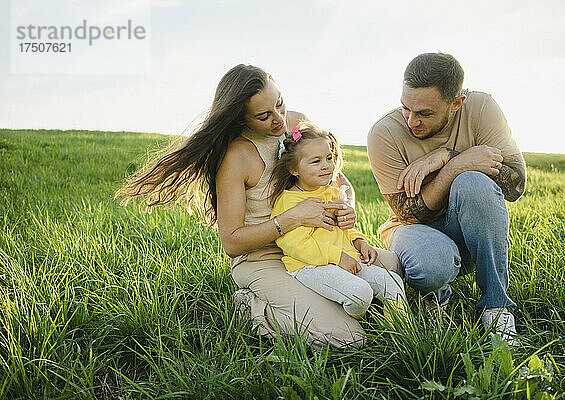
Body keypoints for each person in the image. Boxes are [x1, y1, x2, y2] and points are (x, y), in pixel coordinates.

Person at [116, 64, 400, 349]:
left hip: (318, 244)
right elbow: (232, 242)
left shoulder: (298, 124)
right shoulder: (236, 156)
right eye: (264, 116)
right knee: (348, 339)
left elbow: (336, 178)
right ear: (240, 119)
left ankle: (323, 303)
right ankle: (251, 309)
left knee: (395, 267)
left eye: (280, 104)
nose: (279, 120)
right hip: (263, 259)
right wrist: (292, 218)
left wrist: (345, 206)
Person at [367, 52, 526, 344]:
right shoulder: (384, 133)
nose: (412, 121)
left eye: (425, 113)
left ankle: (497, 307)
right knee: (432, 263)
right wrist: (455, 166)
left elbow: (515, 185)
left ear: (456, 103)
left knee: (474, 181)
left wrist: (447, 157)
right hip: (414, 233)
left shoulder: (482, 108)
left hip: (472, 232)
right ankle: (435, 297)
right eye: (406, 108)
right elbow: (409, 215)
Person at [270, 121, 406, 320]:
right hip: (310, 266)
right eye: (316, 161)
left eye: (328, 158)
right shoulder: (288, 202)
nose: (326, 166)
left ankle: (398, 328)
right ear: (294, 169)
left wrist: (360, 242)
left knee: (392, 282)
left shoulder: (331, 193)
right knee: (360, 294)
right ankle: (356, 319)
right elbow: (295, 245)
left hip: (346, 258)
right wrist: (338, 257)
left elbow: (344, 228)